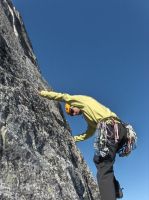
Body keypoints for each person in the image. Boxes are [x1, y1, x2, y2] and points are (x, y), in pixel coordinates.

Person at [39, 90, 134, 200]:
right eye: (71, 114)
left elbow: (64, 97)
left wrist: (43, 94)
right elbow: (89, 133)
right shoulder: (88, 115)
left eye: (71, 110)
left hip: (111, 129)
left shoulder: (82, 100)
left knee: (102, 165)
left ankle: (112, 193)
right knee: (102, 162)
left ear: (74, 104)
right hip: (120, 131)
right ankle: (115, 189)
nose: (73, 114)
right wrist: (73, 138)